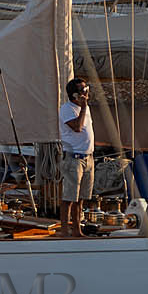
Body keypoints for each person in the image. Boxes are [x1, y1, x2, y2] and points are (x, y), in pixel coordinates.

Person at [59, 77, 95, 237]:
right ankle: (65, 231)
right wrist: (83, 107)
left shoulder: (85, 109)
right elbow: (78, 128)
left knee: (81, 198)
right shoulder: (67, 109)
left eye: (87, 89)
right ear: (74, 95)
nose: (86, 93)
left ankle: (77, 230)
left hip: (88, 158)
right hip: (74, 158)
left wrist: (84, 108)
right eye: (83, 90)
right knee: (69, 198)